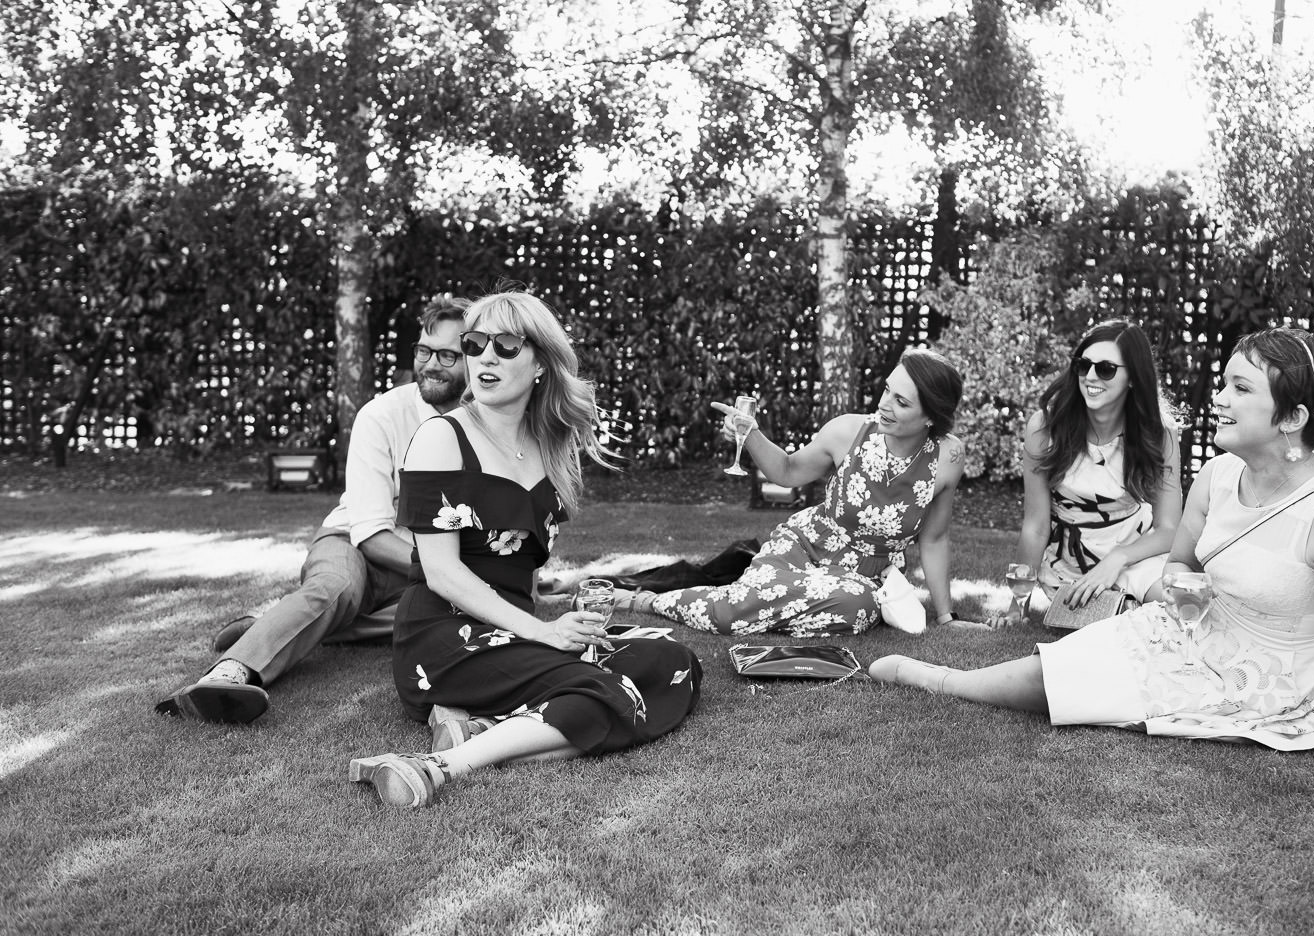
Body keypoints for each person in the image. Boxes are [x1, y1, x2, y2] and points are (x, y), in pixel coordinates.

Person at [872, 327, 1314, 780]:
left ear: (1292, 418)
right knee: (1064, 661)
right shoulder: (1219, 474)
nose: (1219, 399)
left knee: (1061, 688)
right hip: (1185, 635)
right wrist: (1181, 592)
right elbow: (1179, 564)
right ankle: (943, 677)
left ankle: (935, 679)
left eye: (1240, 389)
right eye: (1225, 385)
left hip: (1263, 685)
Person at [349, 289, 703, 810]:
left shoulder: (554, 447)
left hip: (517, 629)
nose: (484, 357)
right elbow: (442, 573)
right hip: (447, 639)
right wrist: (543, 631)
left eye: (506, 345)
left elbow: (523, 565)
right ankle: (436, 768)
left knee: (674, 662)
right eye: (474, 344)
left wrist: (569, 621)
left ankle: (485, 729)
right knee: (600, 691)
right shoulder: (440, 438)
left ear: (540, 362)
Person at [156, 296, 471, 724]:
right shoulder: (381, 416)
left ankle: (270, 626)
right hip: (356, 544)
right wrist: (447, 569)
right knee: (336, 590)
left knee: (457, 611)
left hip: (426, 562)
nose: (430, 364)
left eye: (448, 355)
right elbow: (372, 533)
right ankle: (230, 674)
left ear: (475, 356)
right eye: (423, 351)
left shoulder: (485, 421)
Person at [621, 349, 967, 635]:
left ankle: (756, 602)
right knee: (730, 617)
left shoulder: (948, 457)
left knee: (858, 607)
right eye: (887, 389)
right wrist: (752, 435)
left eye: (901, 402)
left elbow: (934, 539)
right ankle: (647, 600)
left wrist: (945, 617)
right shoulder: (847, 431)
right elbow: (786, 472)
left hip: (864, 579)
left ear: (930, 418)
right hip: (803, 546)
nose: (884, 404)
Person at [1011, 319, 1182, 619]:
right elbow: (1035, 526)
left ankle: (1130, 604)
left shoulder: (1159, 433)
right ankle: (1123, 608)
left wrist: (1119, 557)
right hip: (1070, 565)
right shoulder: (1045, 428)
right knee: (1100, 623)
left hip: (1135, 557)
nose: (1090, 376)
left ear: (1133, 378)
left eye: (1105, 369)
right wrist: (1017, 606)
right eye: (1083, 365)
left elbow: (1169, 529)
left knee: (1178, 608)